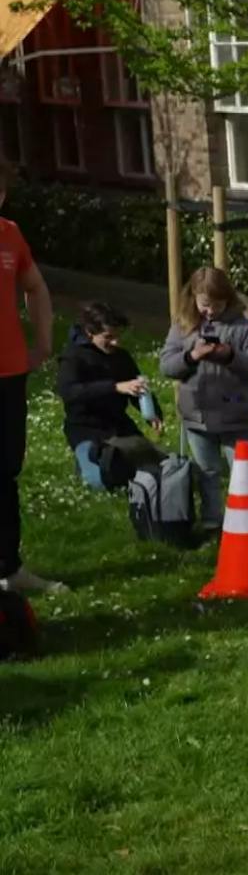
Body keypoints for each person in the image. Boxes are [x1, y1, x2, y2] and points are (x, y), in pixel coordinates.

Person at [160, 266, 248, 533]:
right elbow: (166, 365)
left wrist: (231, 356)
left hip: (235, 415)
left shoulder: (243, 327)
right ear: (194, 298)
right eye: (204, 305)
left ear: (228, 299)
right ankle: (212, 520)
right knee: (207, 472)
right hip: (197, 415)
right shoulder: (183, 326)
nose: (210, 311)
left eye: (217, 305)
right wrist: (191, 357)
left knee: (242, 472)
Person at [0, 163, 58, 595]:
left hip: (9, 372)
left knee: (5, 471)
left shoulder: (10, 235)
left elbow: (35, 287)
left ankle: (9, 568)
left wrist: (42, 342)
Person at [55, 301, 162, 491]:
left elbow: (136, 387)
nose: (116, 342)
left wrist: (153, 413)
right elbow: (69, 392)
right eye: (108, 337)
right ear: (89, 333)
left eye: (118, 336)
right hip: (86, 429)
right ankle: (87, 462)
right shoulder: (74, 357)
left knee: (155, 471)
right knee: (104, 481)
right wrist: (114, 387)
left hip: (119, 425)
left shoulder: (122, 357)